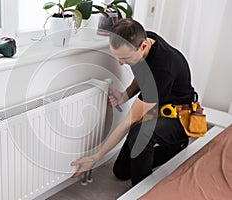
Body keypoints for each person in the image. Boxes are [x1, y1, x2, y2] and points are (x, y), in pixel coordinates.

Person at [71, 19, 197, 186]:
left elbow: (130, 120)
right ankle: (169, 149)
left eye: (125, 58)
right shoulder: (144, 40)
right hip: (159, 110)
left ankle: (143, 189)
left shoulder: (163, 68)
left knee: (140, 134)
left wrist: (95, 157)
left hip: (179, 118)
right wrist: (126, 95)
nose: (121, 63)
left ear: (143, 46)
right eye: (118, 57)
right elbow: (143, 73)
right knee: (121, 171)